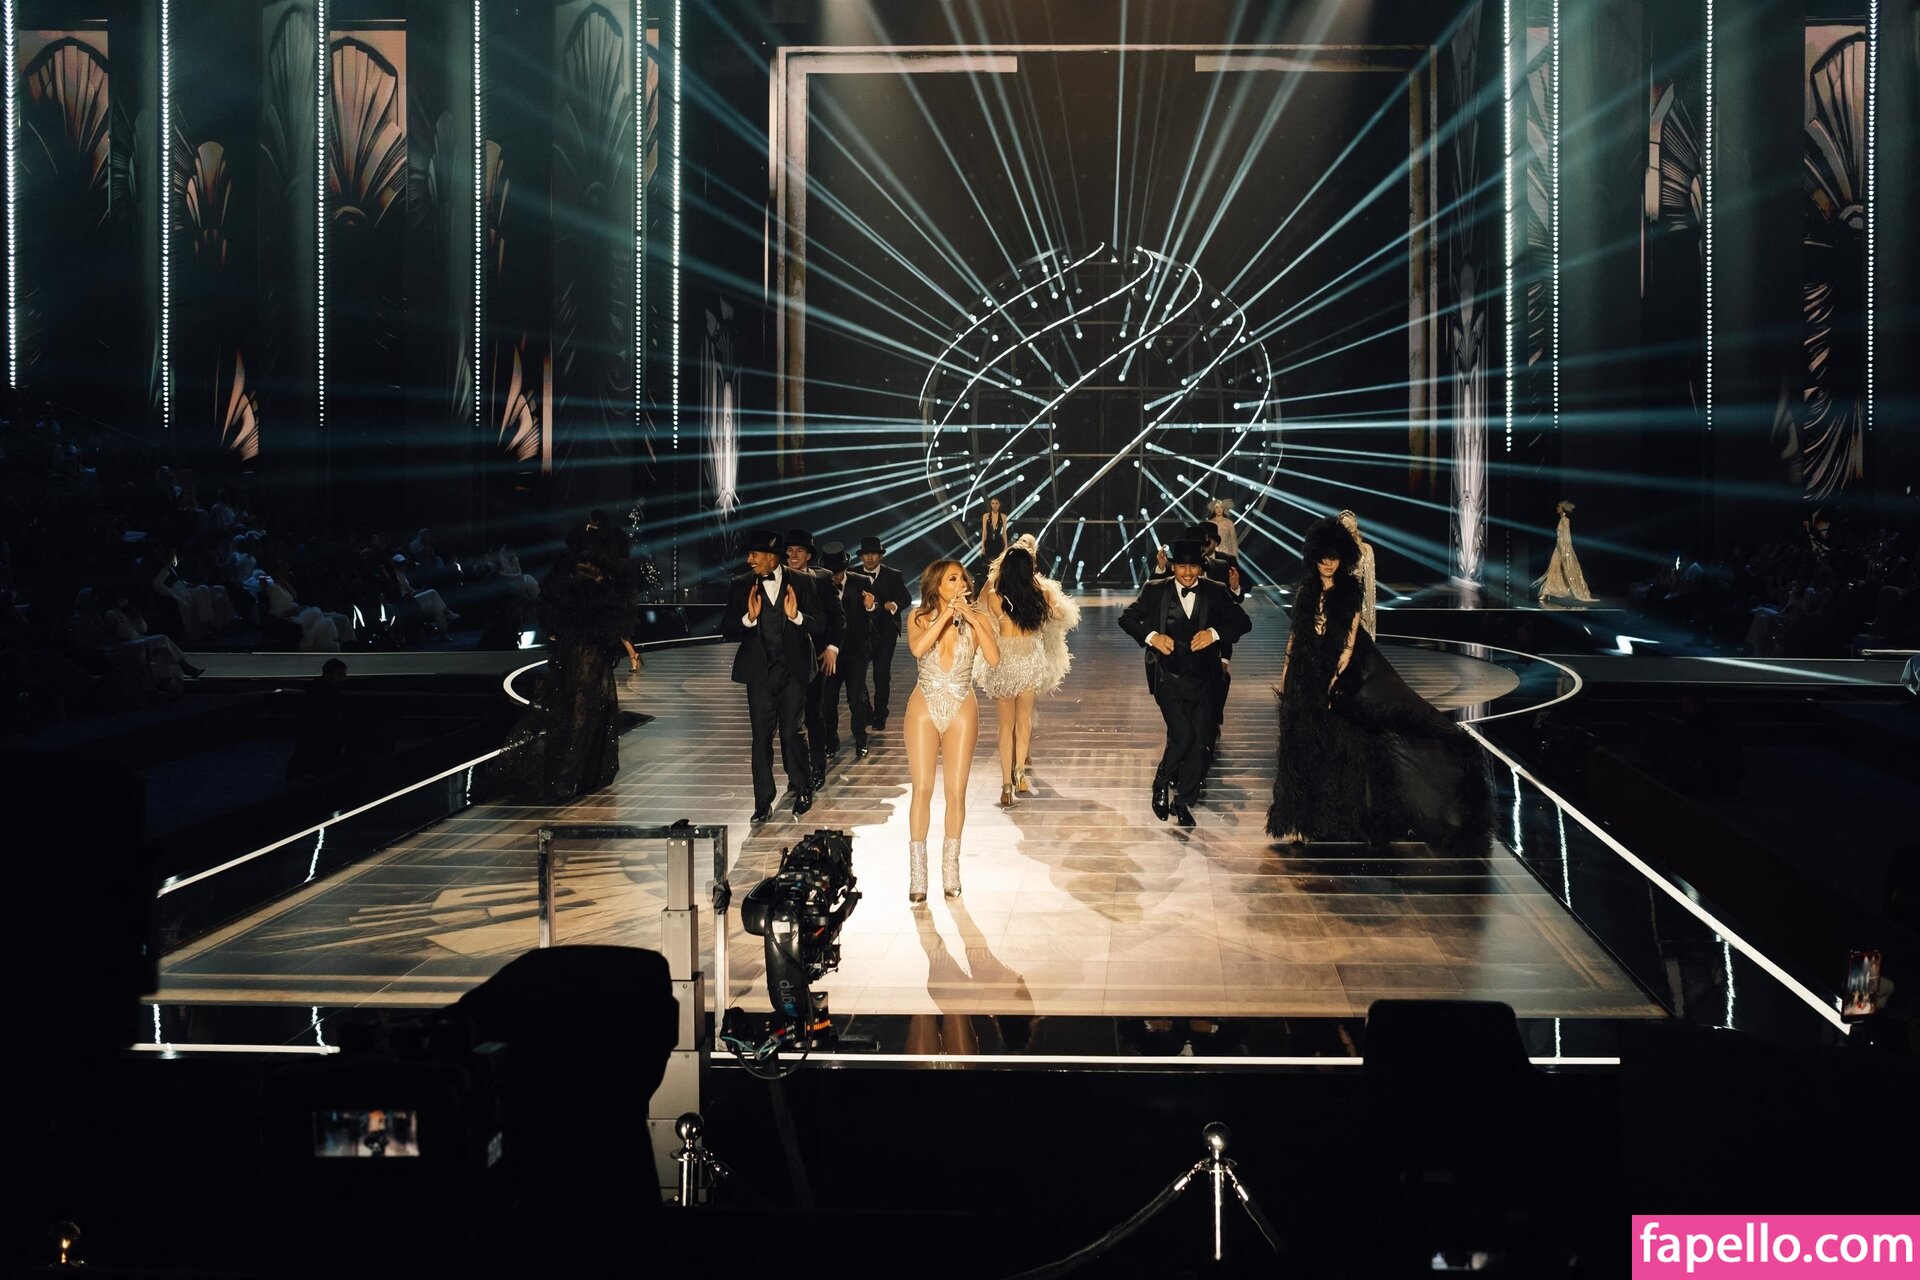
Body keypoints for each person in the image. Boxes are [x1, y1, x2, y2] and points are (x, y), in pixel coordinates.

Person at [1268, 518, 1493, 851]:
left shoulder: (1349, 591)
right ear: (1314, 557)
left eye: (1334, 557)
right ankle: (1297, 820)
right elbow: (1295, 636)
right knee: (1298, 748)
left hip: (1333, 674)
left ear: (1343, 558)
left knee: (1337, 746)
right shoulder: (1305, 591)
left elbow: (1348, 644)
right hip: (1304, 673)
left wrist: (1333, 681)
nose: (1328, 563)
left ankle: (1333, 819)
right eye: (1323, 557)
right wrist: (1286, 676)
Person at [1118, 538, 1251, 827]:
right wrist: (1153, 637)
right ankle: (1161, 782)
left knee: (1201, 743)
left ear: (1200, 568)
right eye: (1181, 566)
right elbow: (1127, 619)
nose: (1187, 573)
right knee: (1183, 734)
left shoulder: (1215, 591)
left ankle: (1182, 801)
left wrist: (1213, 634)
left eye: (1193, 567)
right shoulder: (1155, 590)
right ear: (1173, 566)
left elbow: (1243, 622)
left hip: (1205, 679)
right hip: (1169, 677)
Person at [903, 560, 1000, 901]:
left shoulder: (977, 618)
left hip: (961, 705)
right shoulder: (918, 617)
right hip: (924, 706)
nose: (961, 584)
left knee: (956, 793)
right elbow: (918, 649)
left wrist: (974, 619)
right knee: (922, 789)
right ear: (937, 585)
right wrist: (944, 616)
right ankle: (918, 876)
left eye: (963, 579)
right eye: (953, 579)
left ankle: (951, 871)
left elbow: (994, 659)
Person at [501, 548, 628, 803]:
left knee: (581, 707)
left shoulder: (570, 586)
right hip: (586, 650)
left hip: (582, 649)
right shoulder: (595, 589)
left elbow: (554, 619)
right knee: (581, 708)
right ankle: (568, 775)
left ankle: (573, 773)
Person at [722, 529, 828, 822]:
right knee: (761, 738)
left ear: (772, 557)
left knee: (792, 733)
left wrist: (797, 617)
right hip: (758, 673)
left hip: (793, 671)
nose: (749, 560)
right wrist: (749, 618)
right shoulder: (741, 584)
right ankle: (762, 802)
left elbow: (821, 625)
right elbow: (727, 629)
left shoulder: (803, 582)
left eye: (754, 554)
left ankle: (803, 787)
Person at [976, 536, 1079, 807]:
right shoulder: (1040, 593)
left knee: (1005, 726)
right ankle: (1020, 773)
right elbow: (1060, 616)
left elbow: (982, 618)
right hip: (1029, 660)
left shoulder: (994, 595)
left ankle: (1005, 784)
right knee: (1024, 722)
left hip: (1004, 661)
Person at [784, 528, 844, 787]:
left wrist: (832, 647)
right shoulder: (777, 577)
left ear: (809, 555)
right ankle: (796, 773)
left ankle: (817, 768)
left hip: (815, 658)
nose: (793, 555)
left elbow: (838, 618)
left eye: (799, 550)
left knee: (813, 714)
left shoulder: (822, 579)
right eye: (789, 550)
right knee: (788, 721)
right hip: (784, 660)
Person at [818, 543, 873, 761]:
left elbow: (876, 614)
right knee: (828, 700)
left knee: (856, 699)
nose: (835, 576)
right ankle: (830, 743)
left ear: (845, 568)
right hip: (829, 654)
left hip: (856, 653)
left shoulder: (863, 582)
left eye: (838, 571)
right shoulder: (817, 584)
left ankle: (861, 740)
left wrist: (870, 606)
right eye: (831, 572)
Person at [856, 535, 913, 730]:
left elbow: (906, 598)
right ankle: (867, 711)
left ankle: (880, 714)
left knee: (881, 675)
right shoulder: (852, 574)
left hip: (885, 631)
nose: (870, 558)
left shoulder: (893, 575)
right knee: (857, 675)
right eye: (866, 554)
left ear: (880, 556)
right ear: (861, 557)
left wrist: (894, 605)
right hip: (861, 633)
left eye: (873, 554)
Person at [286, 659, 352, 781]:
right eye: (340, 675)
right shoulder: (321, 691)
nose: (343, 678)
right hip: (317, 731)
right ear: (328, 674)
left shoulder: (324, 688)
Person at [1536, 500, 1597, 604]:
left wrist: (1565, 551)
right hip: (1558, 549)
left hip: (1563, 549)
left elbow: (1566, 537)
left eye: (1558, 506)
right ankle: (1547, 591)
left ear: (1563, 508)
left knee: (1566, 570)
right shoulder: (1561, 520)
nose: (1557, 508)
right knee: (1553, 570)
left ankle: (1567, 591)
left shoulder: (1565, 521)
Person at [1337, 509, 1378, 636]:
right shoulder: (1334, 549)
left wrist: (1368, 612)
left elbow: (1369, 581)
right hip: (1336, 596)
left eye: (1350, 528)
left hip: (1356, 598)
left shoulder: (1366, 549)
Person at [978, 497, 1009, 569]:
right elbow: (984, 532)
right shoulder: (985, 516)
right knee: (987, 564)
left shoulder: (1003, 516)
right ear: (990, 504)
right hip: (988, 542)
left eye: (996, 503)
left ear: (999, 505)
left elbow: (1004, 532)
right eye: (993, 503)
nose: (994, 505)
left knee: (998, 564)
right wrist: (982, 545)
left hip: (998, 542)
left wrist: (1006, 546)